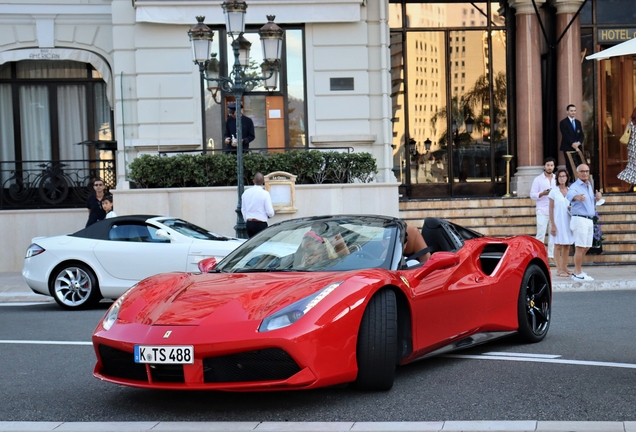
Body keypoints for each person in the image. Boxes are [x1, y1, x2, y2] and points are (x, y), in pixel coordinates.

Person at [566, 164, 603, 282]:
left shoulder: (588, 185)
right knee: (580, 247)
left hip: (589, 219)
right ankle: (577, 272)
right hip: (580, 219)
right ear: (577, 173)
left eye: (587, 171)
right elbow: (570, 195)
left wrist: (597, 198)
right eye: (582, 171)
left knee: (586, 247)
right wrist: (576, 197)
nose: (585, 173)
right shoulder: (575, 186)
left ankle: (579, 270)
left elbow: (590, 201)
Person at [529, 157, 556, 260]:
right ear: (544, 166)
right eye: (548, 165)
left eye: (551, 165)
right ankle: (539, 256)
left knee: (553, 234)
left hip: (554, 210)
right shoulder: (538, 179)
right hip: (542, 210)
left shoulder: (556, 179)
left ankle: (551, 256)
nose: (550, 167)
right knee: (540, 233)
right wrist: (542, 193)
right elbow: (532, 194)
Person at [548, 168, 574, 277]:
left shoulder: (571, 191)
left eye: (564, 176)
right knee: (557, 245)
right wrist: (553, 224)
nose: (562, 178)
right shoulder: (554, 192)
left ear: (567, 178)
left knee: (567, 246)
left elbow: (574, 206)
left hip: (568, 221)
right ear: (557, 178)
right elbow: (550, 208)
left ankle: (565, 267)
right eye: (560, 176)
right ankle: (559, 269)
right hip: (558, 221)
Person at [241, 172, 274, 238]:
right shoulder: (265, 194)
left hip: (249, 223)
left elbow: (243, 209)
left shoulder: (246, 192)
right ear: (263, 181)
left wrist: (247, 219)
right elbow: (270, 212)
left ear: (254, 181)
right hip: (260, 223)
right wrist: (270, 215)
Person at [559, 104, 584, 181]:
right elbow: (565, 135)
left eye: (574, 111)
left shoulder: (578, 122)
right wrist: (573, 144)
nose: (573, 112)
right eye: (571, 111)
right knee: (570, 166)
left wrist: (579, 143)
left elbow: (582, 135)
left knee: (579, 165)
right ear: (567, 112)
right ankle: (570, 181)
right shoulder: (563, 122)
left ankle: (579, 180)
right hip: (568, 147)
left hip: (578, 148)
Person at [617, 107, 636, 186]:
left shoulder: (631, 122)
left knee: (632, 166)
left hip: (632, 147)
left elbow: (626, 133)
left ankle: (632, 184)